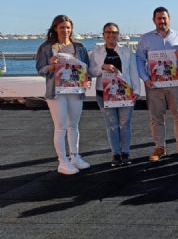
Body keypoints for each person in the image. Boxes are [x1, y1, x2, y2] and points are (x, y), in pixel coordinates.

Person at [35, 15, 91, 175]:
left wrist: (87, 80)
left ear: (71, 29)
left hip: (75, 90)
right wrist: (51, 67)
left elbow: (86, 69)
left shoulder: (79, 47)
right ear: (55, 28)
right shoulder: (46, 47)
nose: (65, 30)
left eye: (68, 27)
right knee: (60, 127)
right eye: (61, 27)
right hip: (56, 92)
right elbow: (40, 69)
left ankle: (75, 157)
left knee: (74, 125)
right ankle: (63, 161)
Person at [136, 7, 178, 162]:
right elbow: (140, 59)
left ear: (169, 19)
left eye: (164, 18)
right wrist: (145, 78)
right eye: (159, 18)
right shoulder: (146, 39)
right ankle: (159, 147)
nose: (162, 21)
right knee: (156, 117)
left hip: (176, 83)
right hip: (154, 84)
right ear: (154, 20)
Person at [89, 22, 140, 166]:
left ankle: (126, 153)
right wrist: (102, 67)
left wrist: (136, 90)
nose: (111, 35)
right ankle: (116, 154)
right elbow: (91, 72)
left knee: (125, 124)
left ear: (119, 34)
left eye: (114, 32)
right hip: (104, 93)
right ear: (103, 34)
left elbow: (133, 71)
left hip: (125, 92)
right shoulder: (96, 52)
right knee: (112, 124)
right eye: (108, 32)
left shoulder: (127, 51)